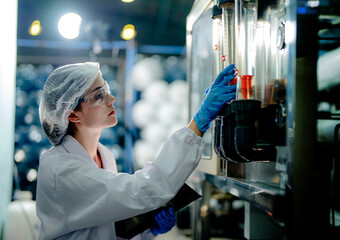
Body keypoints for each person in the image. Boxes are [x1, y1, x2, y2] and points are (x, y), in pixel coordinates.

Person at [36, 62, 236, 240]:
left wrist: (148, 229)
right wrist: (199, 122)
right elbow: (142, 189)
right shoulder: (60, 169)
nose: (111, 98)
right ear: (72, 115)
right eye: (98, 95)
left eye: (106, 89)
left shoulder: (103, 155)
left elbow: (105, 228)